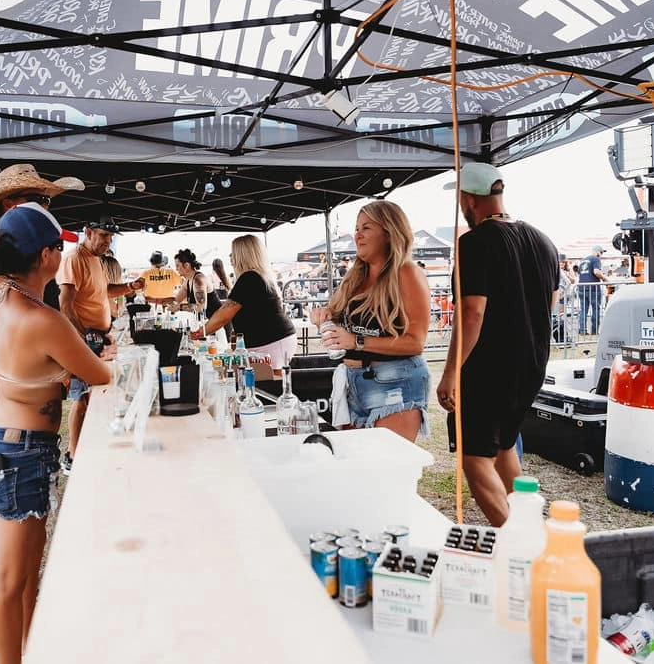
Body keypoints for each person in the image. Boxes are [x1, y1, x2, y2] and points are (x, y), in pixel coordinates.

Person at [0, 164, 85, 645]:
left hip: (12, 406)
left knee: (15, 554)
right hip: (2, 402)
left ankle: (20, 629)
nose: (47, 206)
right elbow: (20, 318)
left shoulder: (3, 263)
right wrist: (59, 356)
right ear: (11, 204)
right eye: (40, 200)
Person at [0, 204, 112, 663]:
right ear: (48, 256)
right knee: (9, 583)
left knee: (25, 574)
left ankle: (31, 651)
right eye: (58, 247)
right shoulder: (42, 318)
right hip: (20, 453)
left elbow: (28, 369)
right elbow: (100, 374)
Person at [435, 163, 558, 526]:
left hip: (490, 368)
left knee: (474, 459)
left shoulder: (473, 243)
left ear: (469, 199)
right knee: (504, 447)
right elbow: (550, 305)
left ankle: (521, 539)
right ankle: (533, 527)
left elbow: (472, 313)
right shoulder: (543, 240)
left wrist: (450, 373)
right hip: (532, 364)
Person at [311, 201, 432, 443]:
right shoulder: (355, 276)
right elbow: (335, 316)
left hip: (395, 384)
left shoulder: (406, 272)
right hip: (353, 383)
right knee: (357, 463)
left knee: (385, 464)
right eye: (357, 228)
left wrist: (356, 341)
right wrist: (322, 315)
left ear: (389, 232)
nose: (357, 235)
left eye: (366, 228)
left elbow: (415, 343)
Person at [57, 215, 144, 472]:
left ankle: (87, 448)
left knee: (96, 396)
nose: (108, 241)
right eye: (104, 235)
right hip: (85, 338)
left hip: (98, 337)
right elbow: (65, 303)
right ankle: (73, 455)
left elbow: (104, 291)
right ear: (88, 232)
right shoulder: (74, 258)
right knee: (82, 398)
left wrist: (131, 286)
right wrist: (83, 337)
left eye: (111, 236)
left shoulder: (96, 260)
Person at [192, 235, 297, 372]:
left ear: (242, 255)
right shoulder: (259, 276)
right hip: (275, 339)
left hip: (272, 342)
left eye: (233, 253)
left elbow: (224, 315)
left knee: (269, 381)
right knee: (266, 380)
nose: (231, 258)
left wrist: (197, 333)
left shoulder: (249, 278)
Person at [172, 248, 231, 336]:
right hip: (207, 323)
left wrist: (179, 307)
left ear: (187, 265)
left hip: (219, 324)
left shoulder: (198, 280)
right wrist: (157, 300)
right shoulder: (187, 281)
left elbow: (201, 307)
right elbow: (175, 301)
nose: (176, 269)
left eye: (178, 266)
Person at [577, 245, 608, 336]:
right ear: (597, 252)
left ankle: (582, 331)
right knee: (595, 309)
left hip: (581, 287)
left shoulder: (583, 261)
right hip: (593, 288)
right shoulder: (596, 259)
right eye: (601, 253)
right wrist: (605, 279)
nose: (601, 255)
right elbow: (596, 272)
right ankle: (594, 331)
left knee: (583, 310)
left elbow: (580, 274)